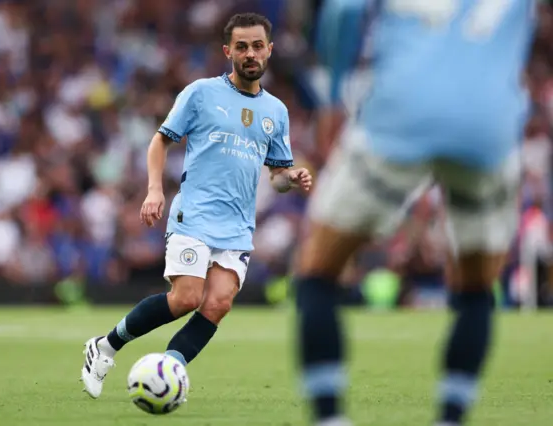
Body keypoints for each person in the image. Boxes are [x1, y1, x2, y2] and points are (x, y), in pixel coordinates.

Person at [294, 1, 536, 425]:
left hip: (400, 114)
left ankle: (330, 417)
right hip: (488, 126)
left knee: (317, 269)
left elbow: (343, 12)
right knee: (477, 287)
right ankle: (451, 415)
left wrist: (333, 100)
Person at [80, 12, 313, 399]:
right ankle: (104, 347)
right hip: (195, 215)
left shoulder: (277, 112)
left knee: (218, 304)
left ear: (269, 50)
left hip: (238, 226)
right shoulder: (201, 93)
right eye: (242, 47)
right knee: (187, 298)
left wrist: (291, 178)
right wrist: (154, 190)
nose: (250, 53)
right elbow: (160, 141)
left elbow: (276, 174)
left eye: (257, 46)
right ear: (228, 52)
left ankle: (168, 371)